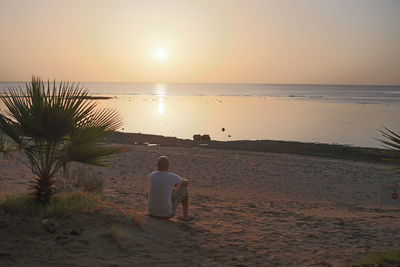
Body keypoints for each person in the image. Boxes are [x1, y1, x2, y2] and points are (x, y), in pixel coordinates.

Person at [147, 156, 195, 221]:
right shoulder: (171, 176)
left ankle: (156, 207)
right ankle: (185, 216)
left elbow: (163, 184)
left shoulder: (151, 175)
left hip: (151, 212)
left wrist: (172, 185)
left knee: (156, 190)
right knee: (184, 188)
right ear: (168, 166)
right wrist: (184, 180)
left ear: (157, 165)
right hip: (166, 214)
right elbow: (186, 183)